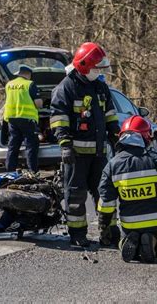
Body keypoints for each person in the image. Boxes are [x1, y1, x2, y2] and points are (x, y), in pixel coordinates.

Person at [50, 42, 120, 248]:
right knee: (75, 195)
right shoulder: (66, 87)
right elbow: (58, 118)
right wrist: (65, 144)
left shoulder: (100, 86)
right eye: (96, 68)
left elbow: (109, 113)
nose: (98, 72)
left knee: (105, 194)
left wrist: (115, 133)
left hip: (99, 154)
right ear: (84, 65)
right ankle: (78, 233)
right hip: (77, 155)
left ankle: (108, 233)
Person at [97, 116, 157, 263]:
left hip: (130, 225)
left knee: (127, 243)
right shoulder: (156, 160)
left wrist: (104, 228)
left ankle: (126, 243)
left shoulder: (112, 165)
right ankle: (155, 243)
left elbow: (106, 203)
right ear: (145, 137)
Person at [4, 64, 43, 173]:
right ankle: (33, 172)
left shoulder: (9, 84)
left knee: (13, 145)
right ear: (28, 74)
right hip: (27, 119)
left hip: (12, 119)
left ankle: (10, 172)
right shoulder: (29, 84)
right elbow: (38, 104)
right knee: (31, 146)